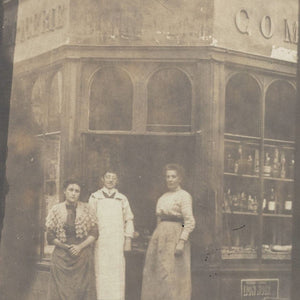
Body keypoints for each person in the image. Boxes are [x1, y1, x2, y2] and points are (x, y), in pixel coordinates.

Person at [141, 164, 195, 300]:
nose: (170, 179)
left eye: (173, 176)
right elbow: (159, 220)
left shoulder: (184, 196)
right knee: (157, 275)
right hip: (160, 239)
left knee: (172, 277)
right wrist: (156, 238)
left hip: (175, 238)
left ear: (180, 178)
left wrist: (181, 242)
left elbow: (189, 221)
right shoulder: (163, 197)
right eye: (167, 177)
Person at [45, 179, 98, 300]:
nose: (73, 193)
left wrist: (79, 247)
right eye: (71, 190)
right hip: (61, 257)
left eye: (77, 191)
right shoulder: (55, 209)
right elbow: (50, 236)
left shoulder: (87, 209)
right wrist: (65, 247)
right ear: (64, 191)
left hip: (82, 256)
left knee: (82, 291)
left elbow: (95, 233)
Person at [88, 169, 134, 300]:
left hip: (117, 242)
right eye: (108, 177)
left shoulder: (122, 198)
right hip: (101, 242)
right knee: (101, 273)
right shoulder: (95, 197)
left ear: (117, 180)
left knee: (117, 273)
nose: (110, 180)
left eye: (113, 177)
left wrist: (128, 240)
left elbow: (129, 219)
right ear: (103, 179)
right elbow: (90, 220)